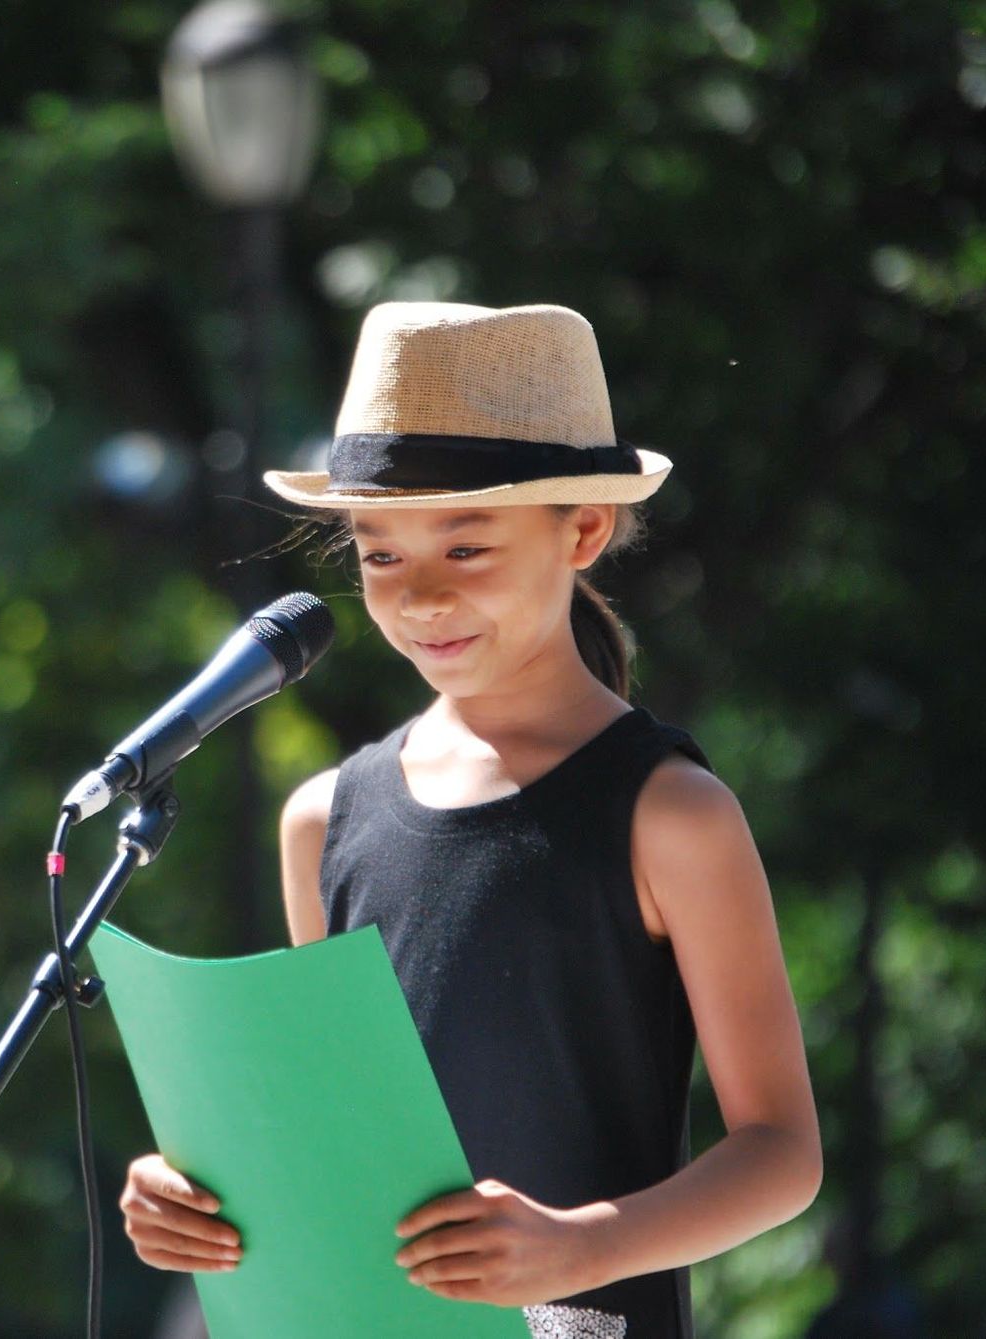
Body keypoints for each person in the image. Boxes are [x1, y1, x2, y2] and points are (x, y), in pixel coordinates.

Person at [119, 301, 822, 1339]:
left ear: (581, 531)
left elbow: (779, 1153)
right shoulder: (320, 817)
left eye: (465, 547)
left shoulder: (670, 814)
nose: (420, 598)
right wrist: (195, 1195)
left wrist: (580, 1243)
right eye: (380, 555)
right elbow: (333, 1139)